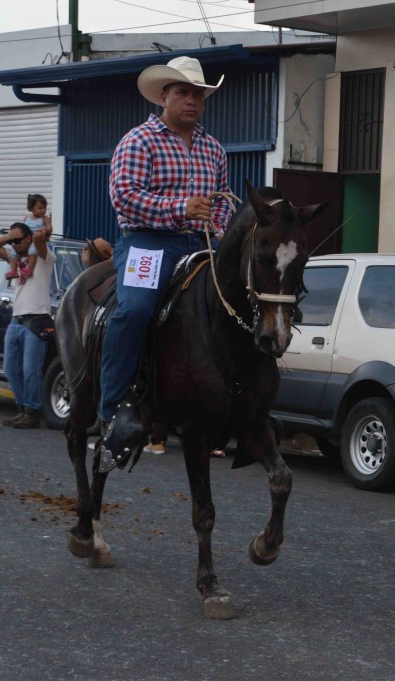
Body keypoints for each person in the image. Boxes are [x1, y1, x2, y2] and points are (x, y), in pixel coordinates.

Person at [98, 55, 233, 470]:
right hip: (147, 243)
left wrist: (219, 231)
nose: (191, 101)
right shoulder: (139, 140)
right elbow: (125, 196)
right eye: (183, 93)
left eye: (198, 95)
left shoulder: (214, 148)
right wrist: (180, 208)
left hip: (201, 243)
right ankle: (112, 407)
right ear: (164, 96)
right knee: (135, 309)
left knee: (236, 309)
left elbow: (223, 201)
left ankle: (232, 405)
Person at [0, 223, 56, 429]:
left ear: (28, 239)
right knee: (10, 368)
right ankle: (23, 408)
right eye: (11, 241)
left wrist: (37, 231)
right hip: (16, 320)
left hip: (36, 320)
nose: (14, 245)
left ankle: (33, 411)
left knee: (30, 369)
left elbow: (41, 240)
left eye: (18, 240)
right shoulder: (14, 259)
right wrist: (10, 239)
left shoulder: (44, 258)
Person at [5, 194, 53, 283]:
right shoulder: (27, 218)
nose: (43, 210)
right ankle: (13, 270)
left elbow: (50, 228)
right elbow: (23, 228)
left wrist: (44, 229)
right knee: (13, 253)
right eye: (40, 208)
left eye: (45, 208)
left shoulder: (45, 219)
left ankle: (29, 268)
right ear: (31, 208)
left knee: (33, 251)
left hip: (36, 241)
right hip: (26, 240)